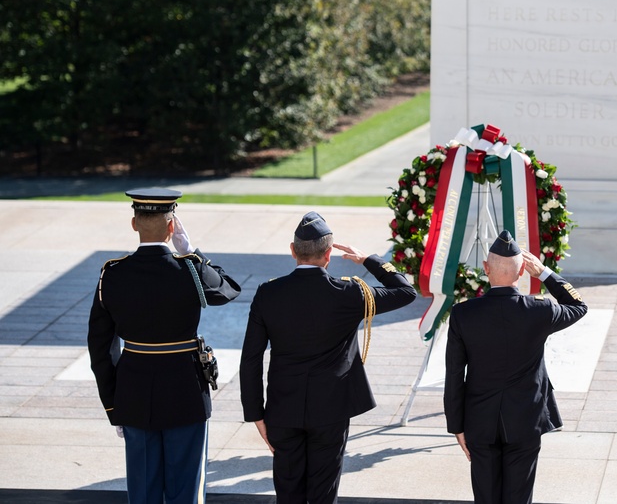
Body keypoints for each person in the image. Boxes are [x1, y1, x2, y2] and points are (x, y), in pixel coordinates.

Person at [240, 210, 418, 504]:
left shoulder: (268, 293)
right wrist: (368, 260)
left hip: (283, 409)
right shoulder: (350, 294)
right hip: (331, 410)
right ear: (328, 256)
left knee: (288, 495)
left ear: (293, 251)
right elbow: (405, 291)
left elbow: (251, 359)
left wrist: (255, 413)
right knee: (323, 495)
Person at [88, 187, 242, 504]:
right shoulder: (190, 270)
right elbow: (228, 290)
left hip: (133, 395)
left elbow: (100, 349)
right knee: (186, 490)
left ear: (134, 224)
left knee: (143, 492)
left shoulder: (112, 275)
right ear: (172, 227)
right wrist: (192, 251)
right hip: (185, 391)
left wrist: (114, 405)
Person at [444, 230, 588, 504]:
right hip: (525, 420)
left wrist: (457, 426)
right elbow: (578, 306)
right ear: (523, 270)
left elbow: (454, 375)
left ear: (485, 269)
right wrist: (544, 273)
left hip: (479, 421)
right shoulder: (539, 310)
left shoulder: (463, 314)